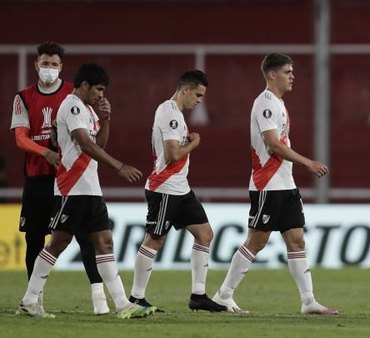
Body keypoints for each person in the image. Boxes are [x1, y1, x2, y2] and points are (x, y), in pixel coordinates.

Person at [17, 62, 153, 319]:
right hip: (72, 188)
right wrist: (119, 165)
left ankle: (123, 304)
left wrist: (106, 119)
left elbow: (97, 143)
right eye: (98, 89)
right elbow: (85, 145)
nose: (101, 95)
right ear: (84, 85)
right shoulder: (72, 105)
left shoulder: (89, 112)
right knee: (59, 242)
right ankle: (30, 299)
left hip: (90, 188)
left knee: (104, 242)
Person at [211, 53, 338, 315]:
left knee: (297, 239)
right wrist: (308, 163)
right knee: (256, 241)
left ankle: (308, 301)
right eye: (287, 72)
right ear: (272, 74)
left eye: (292, 72)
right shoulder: (266, 103)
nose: (292, 76)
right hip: (267, 185)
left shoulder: (278, 103)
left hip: (285, 185)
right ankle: (223, 295)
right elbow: (273, 144)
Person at [10, 42, 109, 316]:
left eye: (54, 65)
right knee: (34, 240)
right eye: (45, 63)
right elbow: (20, 137)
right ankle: (35, 300)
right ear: (36, 64)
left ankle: (99, 300)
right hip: (37, 178)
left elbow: (91, 134)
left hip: (68, 180)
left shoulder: (73, 95)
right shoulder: (23, 98)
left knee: (86, 239)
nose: (49, 69)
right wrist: (45, 151)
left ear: (61, 67)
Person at [128, 70, 226, 313]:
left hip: (181, 189)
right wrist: (193, 143)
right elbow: (172, 155)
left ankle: (198, 296)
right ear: (185, 90)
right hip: (165, 188)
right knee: (155, 239)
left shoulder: (175, 114)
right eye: (198, 95)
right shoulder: (170, 113)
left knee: (205, 234)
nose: (199, 100)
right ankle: (136, 297)